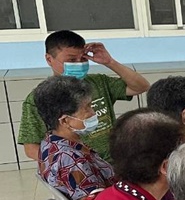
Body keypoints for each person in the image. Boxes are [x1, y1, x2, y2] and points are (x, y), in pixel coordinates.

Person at [18, 30, 150, 161]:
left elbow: (141, 86)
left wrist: (109, 62)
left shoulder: (99, 82)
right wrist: (72, 164)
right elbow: (31, 149)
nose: (78, 64)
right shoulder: (39, 98)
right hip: (79, 169)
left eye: (82, 59)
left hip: (116, 163)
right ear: (49, 59)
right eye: (71, 60)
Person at [34, 76, 114, 200]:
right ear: (65, 121)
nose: (93, 113)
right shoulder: (72, 160)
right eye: (87, 108)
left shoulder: (49, 142)